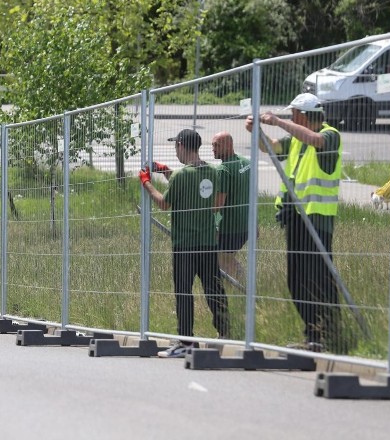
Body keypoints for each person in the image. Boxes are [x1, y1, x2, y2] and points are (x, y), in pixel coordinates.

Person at [245, 92, 341, 352]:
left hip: (317, 218)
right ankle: (312, 333)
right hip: (296, 217)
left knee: (317, 278)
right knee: (296, 280)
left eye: (293, 114)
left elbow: (316, 140)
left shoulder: (330, 134)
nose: (290, 118)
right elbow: (272, 147)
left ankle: (328, 333)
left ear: (303, 115)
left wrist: (277, 121)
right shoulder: (296, 139)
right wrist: (258, 134)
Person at [140, 128, 230, 358]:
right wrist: (167, 172)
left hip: (185, 244)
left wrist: (147, 183)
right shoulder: (212, 172)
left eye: (175, 146)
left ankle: (186, 341)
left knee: (183, 292)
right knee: (213, 288)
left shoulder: (182, 176)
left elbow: (164, 203)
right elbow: (213, 201)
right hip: (208, 242)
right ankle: (226, 332)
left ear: (181, 145)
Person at [211, 131, 251, 286]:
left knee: (222, 261)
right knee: (226, 257)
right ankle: (245, 283)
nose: (213, 149)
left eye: (217, 145)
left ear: (229, 145)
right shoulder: (246, 163)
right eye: (212, 145)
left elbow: (217, 206)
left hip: (230, 228)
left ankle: (242, 288)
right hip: (246, 225)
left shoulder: (223, 170)